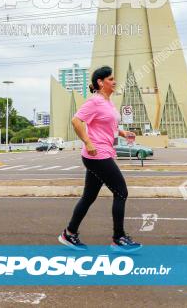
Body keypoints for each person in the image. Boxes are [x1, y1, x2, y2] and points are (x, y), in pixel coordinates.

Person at [59, 65, 142, 253]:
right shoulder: (95, 101)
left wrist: (122, 132)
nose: (114, 82)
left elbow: (107, 124)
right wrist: (88, 142)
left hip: (102, 153)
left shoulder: (108, 102)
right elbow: (76, 120)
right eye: (111, 79)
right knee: (121, 191)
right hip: (97, 155)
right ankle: (118, 238)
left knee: (89, 197)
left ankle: (69, 234)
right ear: (100, 82)